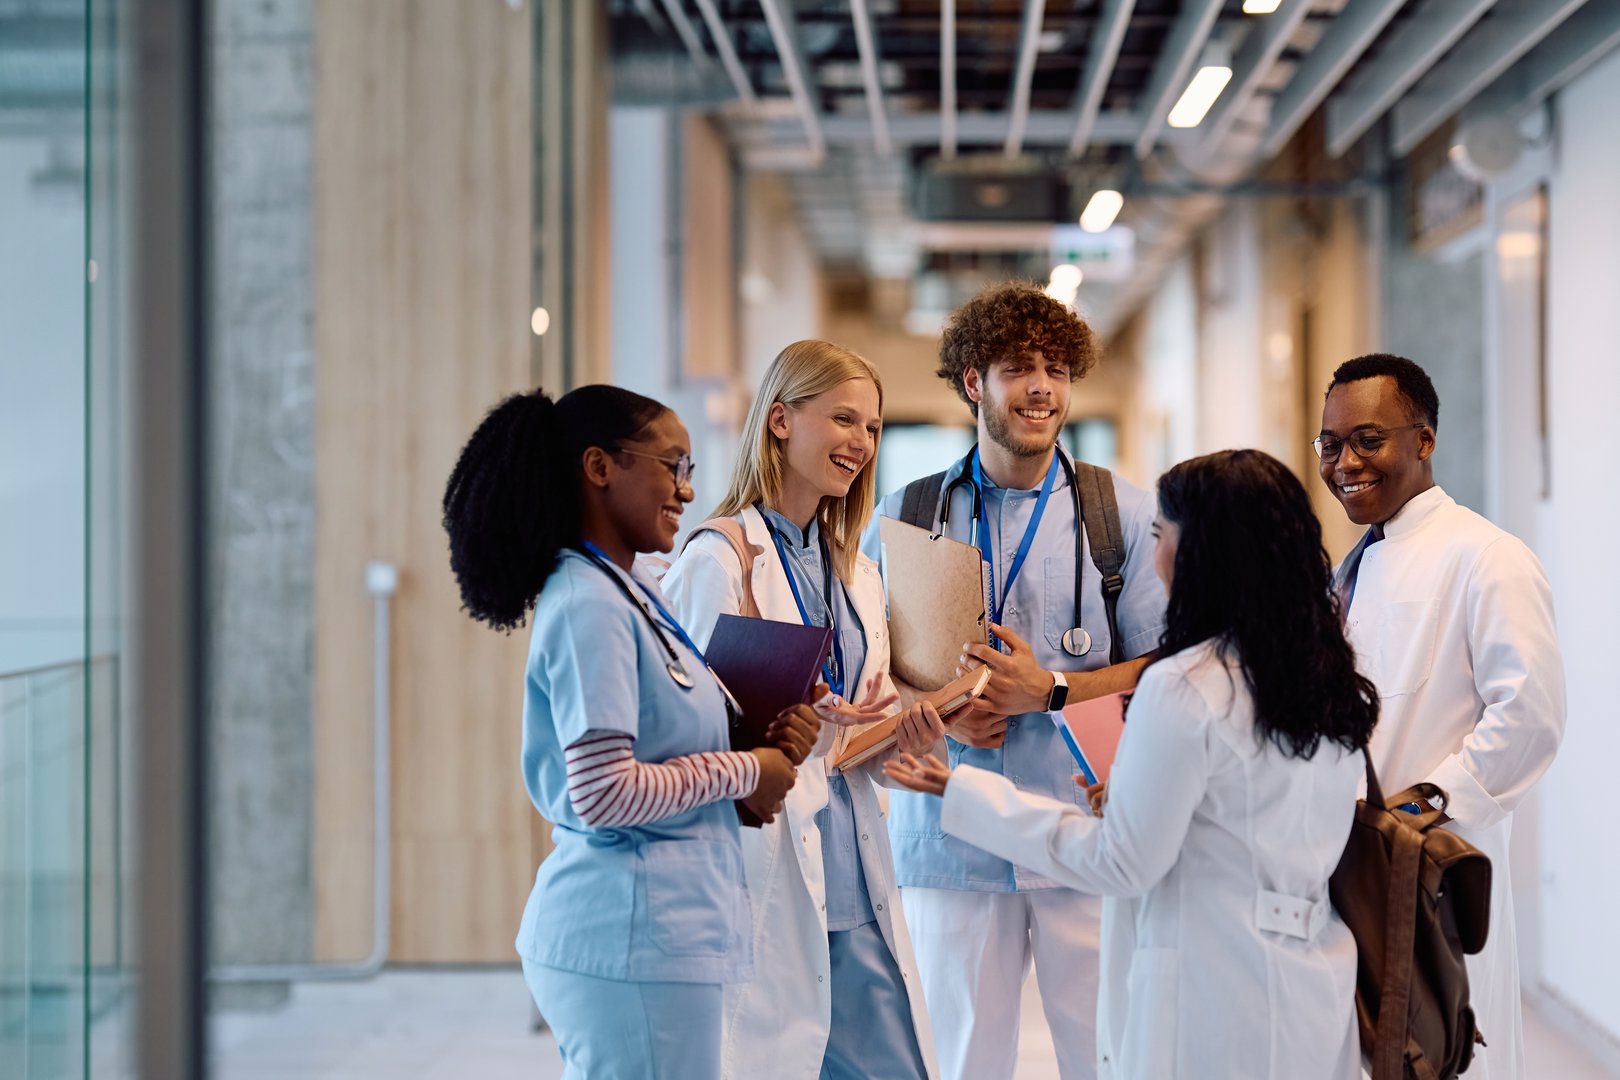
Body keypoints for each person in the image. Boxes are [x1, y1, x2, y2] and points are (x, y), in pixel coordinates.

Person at [886, 449, 1374, 1080]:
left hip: (1212, 994)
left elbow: (1119, 862)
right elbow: (1249, 817)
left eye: (1159, 535)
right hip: (1313, 982)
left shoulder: (1185, 686)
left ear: (1202, 553)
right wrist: (1131, 800)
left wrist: (963, 794)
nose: (1155, 555)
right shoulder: (1326, 678)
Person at [441, 385, 816, 1078]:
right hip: (628, 936)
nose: (684, 490)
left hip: (662, 931)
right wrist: (747, 771)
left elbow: (662, 753)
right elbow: (604, 792)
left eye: (691, 471)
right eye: (673, 465)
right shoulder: (589, 603)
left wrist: (763, 748)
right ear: (600, 467)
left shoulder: (630, 589)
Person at [864, 281, 1167, 1080]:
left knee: (1107, 1056)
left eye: (1058, 369)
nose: (1042, 387)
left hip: (1082, 830)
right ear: (974, 382)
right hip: (949, 833)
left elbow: (1166, 669)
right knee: (962, 1063)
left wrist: (1053, 690)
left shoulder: (1120, 516)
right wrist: (942, 711)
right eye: (1018, 368)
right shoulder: (909, 513)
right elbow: (867, 669)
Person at [662, 340, 938, 1080]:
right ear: (780, 419)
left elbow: (850, 729)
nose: (861, 442)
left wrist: (893, 730)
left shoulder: (860, 573)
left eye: (874, 427)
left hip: (853, 878)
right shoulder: (718, 562)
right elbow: (684, 735)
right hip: (767, 875)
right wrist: (791, 719)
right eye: (844, 418)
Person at [1316, 354, 1565, 1079]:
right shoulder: (1356, 565)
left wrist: (1421, 810)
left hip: (1432, 868)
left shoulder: (1487, 557)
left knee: (1445, 1052)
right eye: (1330, 445)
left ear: (1423, 441)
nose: (1345, 463)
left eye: (1368, 439)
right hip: (1350, 865)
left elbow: (1531, 715)